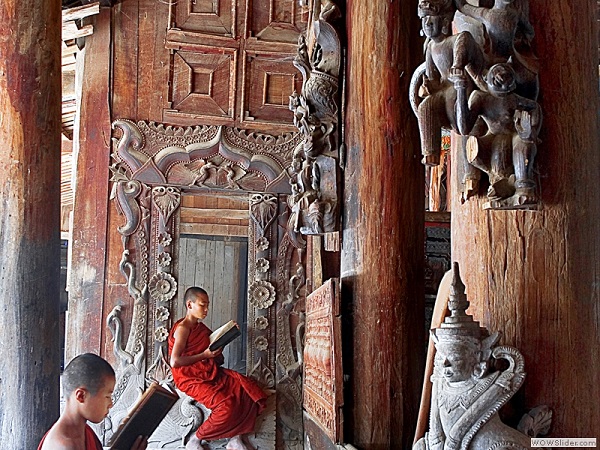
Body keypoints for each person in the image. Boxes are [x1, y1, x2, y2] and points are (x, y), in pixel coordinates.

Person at [169, 287, 267, 450]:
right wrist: (206, 355)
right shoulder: (183, 329)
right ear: (189, 304)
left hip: (207, 372)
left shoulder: (199, 328)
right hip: (190, 378)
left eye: (208, 305)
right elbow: (175, 361)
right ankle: (196, 438)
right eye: (202, 305)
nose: (206, 310)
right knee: (226, 406)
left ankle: (235, 439)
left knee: (245, 387)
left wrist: (221, 342)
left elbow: (210, 348)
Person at [38, 353, 147, 450]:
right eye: (107, 396)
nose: (110, 404)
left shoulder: (86, 432)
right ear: (81, 396)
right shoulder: (63, 445)